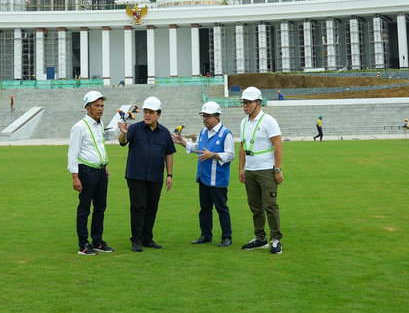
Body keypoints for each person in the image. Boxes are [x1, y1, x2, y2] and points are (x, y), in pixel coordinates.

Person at [117, 96, 176, 252]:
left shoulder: (164, 133)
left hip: (155, 176)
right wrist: (123, 132)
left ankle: (147, 238)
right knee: (138, 207)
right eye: (145, 112)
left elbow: (169, 154)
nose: (147, 115)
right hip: (136, 175)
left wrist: (169, 175)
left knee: (152, 208)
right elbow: (122, 142)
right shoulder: (135, 128)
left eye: (151, 112)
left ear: (159, 114)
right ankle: (136, 239)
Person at [172, 101, 234, 247]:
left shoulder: (226, 134)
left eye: (208, 116)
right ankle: (206, 235)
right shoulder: (203, 132)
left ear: (217, 117)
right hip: (203, 177)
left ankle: (227, 236)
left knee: (221, 208)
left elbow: (230, 155)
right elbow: (197, 148)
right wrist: (182, 142)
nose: (205, 119)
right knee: (204, 209)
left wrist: (213, 155)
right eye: (203, 116)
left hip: (218, 179)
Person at [237, 86, 284, 254]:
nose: (245, 106)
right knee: (255, 206)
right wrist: (241, 168)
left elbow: (277, 145)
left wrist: (277, 169)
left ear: (258, 103)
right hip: (250, 170)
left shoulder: (269, 121)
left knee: (270, 205)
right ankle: (260, 238)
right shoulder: (243, 123)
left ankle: (275, 239)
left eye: (248, 102)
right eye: (244, 102)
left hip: (266, 170)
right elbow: (243, 146)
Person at [67, 91, 114, 256]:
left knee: (100, 207)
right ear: (88, 108)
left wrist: (104, 165)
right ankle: (83, 244)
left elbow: (99, 146)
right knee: (85, 208)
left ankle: (98, 241)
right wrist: (75, 177)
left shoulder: (100, 124)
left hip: (100, 171)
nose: (100, 109)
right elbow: (72, 153)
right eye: (96, 106)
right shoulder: (79, 127)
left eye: (102, 105)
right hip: (86, 172)